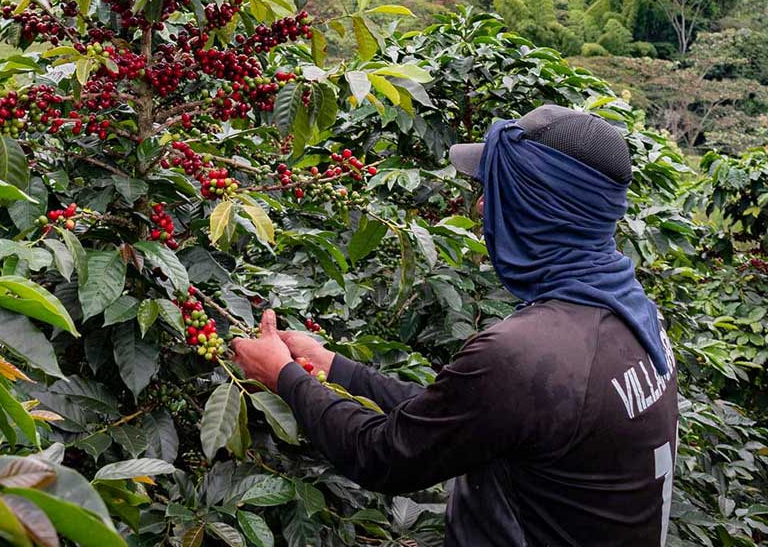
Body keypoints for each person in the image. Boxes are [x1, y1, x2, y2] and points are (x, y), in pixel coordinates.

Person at [231, 104, 678, 547]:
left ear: (535, 208)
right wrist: (333, 366)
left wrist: (285, 377)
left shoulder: (524, 354)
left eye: (495, 189)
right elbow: (464, 414)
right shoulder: (633, 315)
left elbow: (385, 455)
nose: (481, 205)